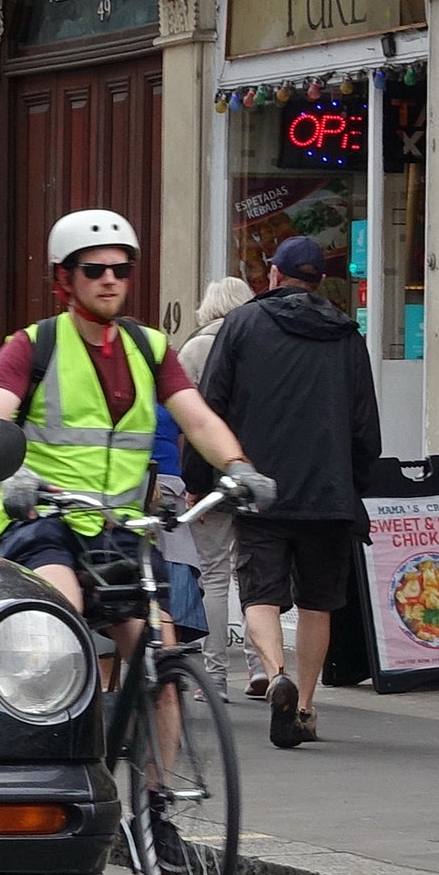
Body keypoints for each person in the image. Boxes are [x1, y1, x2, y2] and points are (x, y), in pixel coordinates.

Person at [0, 209, 273, 659]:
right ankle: (67, 727)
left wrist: (238, 467)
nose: (110, 280)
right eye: (94, 270)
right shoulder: (34, 345)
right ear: (66, 279)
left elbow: (198, 419)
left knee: (161, 653)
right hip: (44, 521)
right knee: (63, 621)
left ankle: (161, 730)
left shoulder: (149, 347)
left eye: (121, 270)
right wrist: (12, 474)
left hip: (122, 526)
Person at [195, 233, 381, 751]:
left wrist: (198, 481)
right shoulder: (347, 335)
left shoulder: (242, 324)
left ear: (273, 275)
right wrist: (356, 484)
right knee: (318, 602)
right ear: (321, 281)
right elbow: (365, 424)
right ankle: (304, 708)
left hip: (261, 489)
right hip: (328, 492)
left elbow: (210, 407)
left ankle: (276, 673)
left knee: (260, 594)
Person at [178, 275, 257, 695]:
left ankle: (216, 676)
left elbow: (190, 425)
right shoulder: (259, 345)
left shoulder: (193, 349)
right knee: (253, 574)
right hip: (253, 473)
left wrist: (192, 482)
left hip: (210, 475)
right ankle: (261, 666)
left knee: (214, 576)